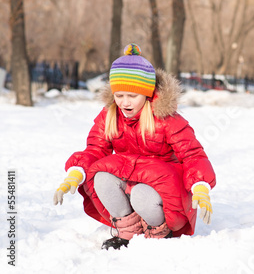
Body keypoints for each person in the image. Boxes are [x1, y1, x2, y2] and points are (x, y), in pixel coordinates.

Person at [53, 44, 216, 250]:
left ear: (147, 94)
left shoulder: (166, 119)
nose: (124, 102)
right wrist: (76, 172)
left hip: (162, 189)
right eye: (119, 95)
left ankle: (159, 232)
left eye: (132, 96)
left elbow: (192, 154)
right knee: (101, 176)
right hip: (129, 179)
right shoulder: (110, 116)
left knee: (141, 193)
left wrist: (200, 185)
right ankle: (128, 232)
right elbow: (95, 149)